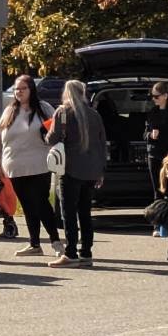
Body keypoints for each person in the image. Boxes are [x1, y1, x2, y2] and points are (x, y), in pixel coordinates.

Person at [0, 75, 62, 257]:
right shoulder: (10, 111)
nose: (19, 92)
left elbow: (57, 132)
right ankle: (34, 243)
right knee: (27, 205)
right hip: (15, 167)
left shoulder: (43, 108)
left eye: (23, 88)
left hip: (39, 165)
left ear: (31, 90)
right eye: (16, 89)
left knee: (41, 203)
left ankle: (56, 241)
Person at [45, 80, 107, 269]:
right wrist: (101, 170)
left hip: (70, 168)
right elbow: (102, 143)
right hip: (91, 169)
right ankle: (86, 252)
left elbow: (52, 139)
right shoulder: (94, 114)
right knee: (85, 212)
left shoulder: (63, 112)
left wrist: (47, 133)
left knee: (68, 212)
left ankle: (70, 252)